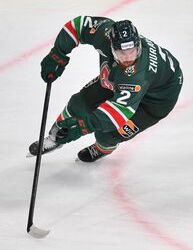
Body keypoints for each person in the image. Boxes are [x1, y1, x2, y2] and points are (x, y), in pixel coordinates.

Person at [29, 17, 183, 162]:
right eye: (122, 53)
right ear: (111, 46)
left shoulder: (137, 75)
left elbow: (118, 113)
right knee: (79, 103)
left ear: (138, 45)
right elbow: (77, 25)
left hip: (157, 100)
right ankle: (55, 137)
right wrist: (58, 53)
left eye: (133, 51)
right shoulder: (104, 32)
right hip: (121, 80)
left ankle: (103, 148)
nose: (129, 58)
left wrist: (83, 127)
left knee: (107, 134)